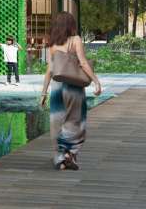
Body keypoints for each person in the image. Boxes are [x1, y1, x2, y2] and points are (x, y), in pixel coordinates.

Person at [40, 10, 101, 172]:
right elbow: (83, 63)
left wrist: (43, 93)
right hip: (73, 87)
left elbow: (49, 70)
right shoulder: (75, 40)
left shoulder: (53, 44)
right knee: (75, 120)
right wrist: (96, 81)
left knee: (58, 121)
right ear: (70, 25)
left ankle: (60, 159)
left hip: (57, 87)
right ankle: (70, 154)